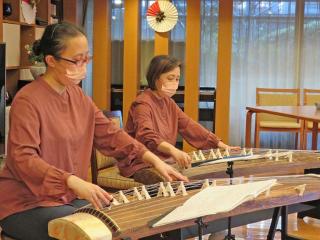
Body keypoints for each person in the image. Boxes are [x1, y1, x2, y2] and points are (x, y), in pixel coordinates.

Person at [0, 23, 187, 240]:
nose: (82, 66)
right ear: (51, 61)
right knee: (98, 232)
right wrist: (72, 181)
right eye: (76, 60)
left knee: (137, 225)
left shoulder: (78, 97)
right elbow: (23, 159)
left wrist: (153, 159)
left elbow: (112, 134)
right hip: (26, 203)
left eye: (86, 58)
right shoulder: (28, 100)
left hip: (67, 198)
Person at [124, 55, 240, 184]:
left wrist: (220, 145)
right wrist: (174, 150)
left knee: (205, 173)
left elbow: (189, 125)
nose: (174, 83)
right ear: (155, 77)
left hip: (164, 159)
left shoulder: (169, 102)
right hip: (142, 163)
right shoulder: (142, 104)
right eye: (170, 78)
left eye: (177, 79)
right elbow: (146, 135)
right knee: (178, 181)